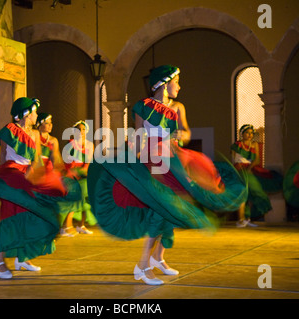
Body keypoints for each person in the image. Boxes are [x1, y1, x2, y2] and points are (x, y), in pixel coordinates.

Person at [87, 65, 247, 285]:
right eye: (177, 81)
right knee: (162, 208)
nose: (179, 86)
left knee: (175, 207)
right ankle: (142, 266)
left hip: (175, 157)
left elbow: (187, 133)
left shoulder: (178, 107)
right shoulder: (142, 107)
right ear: (164, 83)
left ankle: (157, 257)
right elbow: (137, 137)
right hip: (153, 159)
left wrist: (182, 134)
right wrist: (133, 164)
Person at [0, 97, 81, 279]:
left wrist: (34, 177)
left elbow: (36, 159)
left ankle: (22, 258)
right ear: (26, 114)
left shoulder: (35, 134)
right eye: (34, 112)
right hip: (11, 173)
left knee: (30, 214)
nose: (37, 115)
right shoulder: (9, 131)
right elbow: (4, 158)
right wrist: (6, 182)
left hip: (26, 174)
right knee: (10, 216)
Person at [230, 124, 282, 227]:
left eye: (251, 133)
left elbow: (256, 159)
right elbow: (234, 159)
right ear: (242, 134)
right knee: (243, 194)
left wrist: (249, 168)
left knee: (253, 193)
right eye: (247, 133)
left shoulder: (254, 145)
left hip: (250, 170)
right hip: (240, 170)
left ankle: (246, 218)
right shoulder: (237, 145)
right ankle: (241, 219)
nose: (249, 135)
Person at [59, 120, 96, 236]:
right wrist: (75, 172)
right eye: (79, 129)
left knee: (86, 197)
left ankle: (81, 225)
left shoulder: (90, 144)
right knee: (75, 197)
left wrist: (84, 171)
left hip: (84, 173)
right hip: (72, 174)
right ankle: (66, 226)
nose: (81, 132)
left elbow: (88, 163)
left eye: (84, 130)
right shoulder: (70, 145)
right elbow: (68, 164)